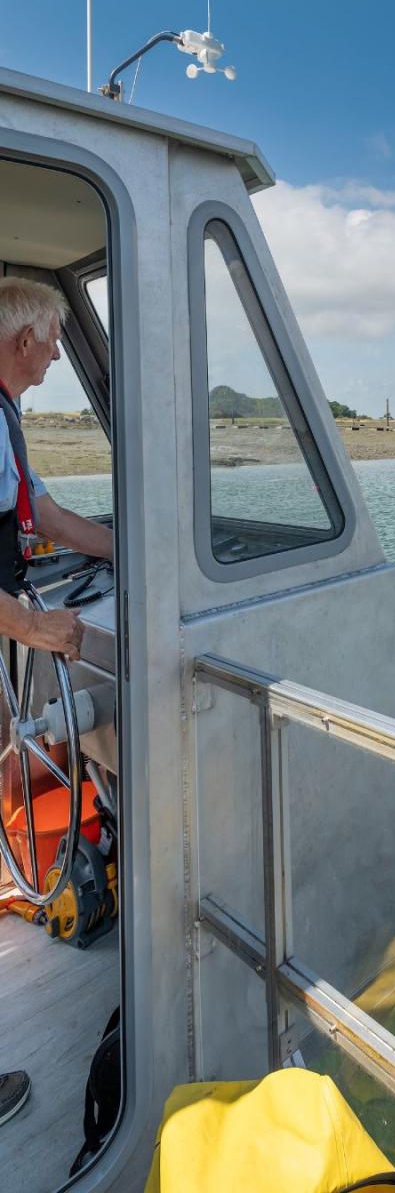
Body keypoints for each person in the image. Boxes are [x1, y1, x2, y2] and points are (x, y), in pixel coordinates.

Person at [0, 276, 114, 1125]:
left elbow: (38, 513)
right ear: (21, 341)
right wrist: (37, 634)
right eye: (49, 341)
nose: (52, 359)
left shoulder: (6, 419)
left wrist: (132, 545)